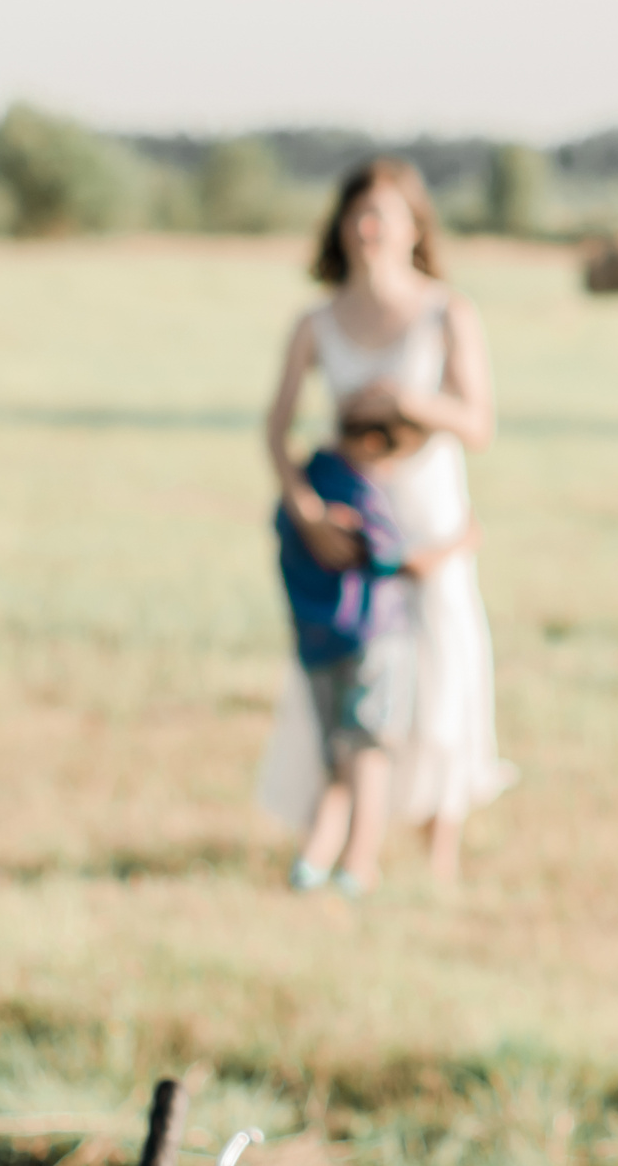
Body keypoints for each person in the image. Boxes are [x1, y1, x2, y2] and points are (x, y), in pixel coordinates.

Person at [260, 159, 517, 886]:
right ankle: (338, 835)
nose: (369, 229)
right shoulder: (315, 321)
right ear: (342, 226)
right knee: (350, 677)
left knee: (445, 667)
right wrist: (307, 513)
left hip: (429, 517)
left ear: (414, 226)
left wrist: (411, 402)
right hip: (351, 526)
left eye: (384, 215)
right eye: (358, 214)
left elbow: (478, 424)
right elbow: (275, 429)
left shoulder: (447, 312)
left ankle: (440, 855)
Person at [274, 408, 479, 897]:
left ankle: (313, 861)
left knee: (337, 757)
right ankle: (358, 864)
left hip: (314, 640)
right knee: (370, 753)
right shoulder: (358, 490)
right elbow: (396, 559)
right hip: (373, 638)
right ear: (371, 445)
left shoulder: (304, 485)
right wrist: (459, 543)